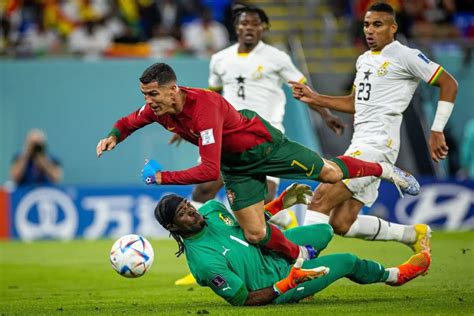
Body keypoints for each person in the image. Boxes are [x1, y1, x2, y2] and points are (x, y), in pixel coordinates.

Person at [96, 62, 420, 273]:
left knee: (331, 173)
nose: (149, 101)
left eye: (153, 94)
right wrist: (113, 136)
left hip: (263, 146)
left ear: (173, 89)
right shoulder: (158, 109)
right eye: (145, 95)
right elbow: (129, 121)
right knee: (255, 233)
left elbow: (209, 172)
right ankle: (300, 257)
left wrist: (163, 177)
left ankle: (384, 170)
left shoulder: (204, 109)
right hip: (235, 165)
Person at [172, 3, 347, 286]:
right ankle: (201, 254)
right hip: (226, 139)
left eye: (254, 24)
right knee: (203, 189)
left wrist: (326, 114)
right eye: (243, 24)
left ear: (263, 27)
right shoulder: (220, 59)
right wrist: (185, 126)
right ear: (236, 27)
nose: (248, 28)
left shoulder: (277, 57)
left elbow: (301, 89)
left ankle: (288, 237)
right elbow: (208, 97)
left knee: (264, 204)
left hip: (265, 141)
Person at [290, 2, 458, 251]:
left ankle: (301, 268)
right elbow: (355, 103)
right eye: (367, 24)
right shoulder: (364, 60)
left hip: (378, 145)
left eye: (377, 25)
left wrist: (436, 129)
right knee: (341, 222)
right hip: (360, 142)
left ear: (393, 28)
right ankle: (412, 234)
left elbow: (449, 83)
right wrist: (315, 98)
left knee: (321, 198)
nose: (370, 30)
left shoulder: (406, 56)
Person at [154, 188, 431, 306]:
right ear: (174, 228)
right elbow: (243, 300)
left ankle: (304, 266)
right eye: (182, 213)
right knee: (347, 261)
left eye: (187, 204)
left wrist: (282, 203)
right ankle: (395, 276)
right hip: (278, 281)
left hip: (276, 253)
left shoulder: (213, 210)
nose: (192, 212)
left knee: (324, 230)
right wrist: (287, 284)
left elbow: (251, 225)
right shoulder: (202, 263)